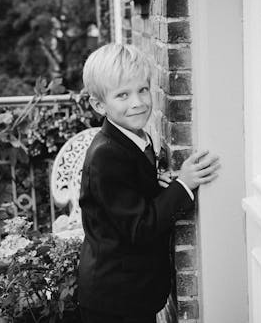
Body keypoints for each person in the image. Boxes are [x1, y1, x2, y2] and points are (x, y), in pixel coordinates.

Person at [78, 43, 220, 323]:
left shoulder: (134, 136)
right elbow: (140, 226)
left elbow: (126, 196)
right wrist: (185, 185)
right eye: (123, 95)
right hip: (115, 301)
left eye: (142, 89)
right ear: (99, 104)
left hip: (131, 293)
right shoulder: (105, 154)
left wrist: (153, 184)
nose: (138, 102)